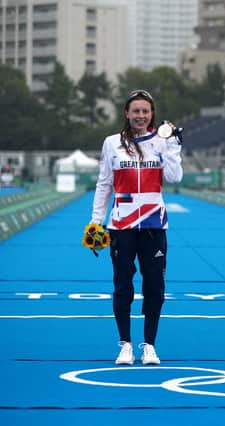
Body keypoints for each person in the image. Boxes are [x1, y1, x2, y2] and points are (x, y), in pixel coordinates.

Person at [89, 89, 183, 365]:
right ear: (127, 114)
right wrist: (96, 222)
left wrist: (175, 145)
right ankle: (125, 345)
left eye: (145, 111)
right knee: (122, 287)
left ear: (152, 114)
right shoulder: (111, 143)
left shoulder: (162, 142)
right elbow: (104, 184)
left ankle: (149, 345)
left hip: (154, 225)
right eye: (136, 111)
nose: (140, 116)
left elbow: (175, 178)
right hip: (121, 225)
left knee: (155, 287)